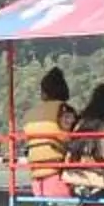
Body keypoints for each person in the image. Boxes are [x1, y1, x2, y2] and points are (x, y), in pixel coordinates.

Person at [21, 66, 75, 194]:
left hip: (36, 181)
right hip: (59, 177)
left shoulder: (30, 114)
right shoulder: (64, 110)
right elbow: (75, 137)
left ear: (44, 93)